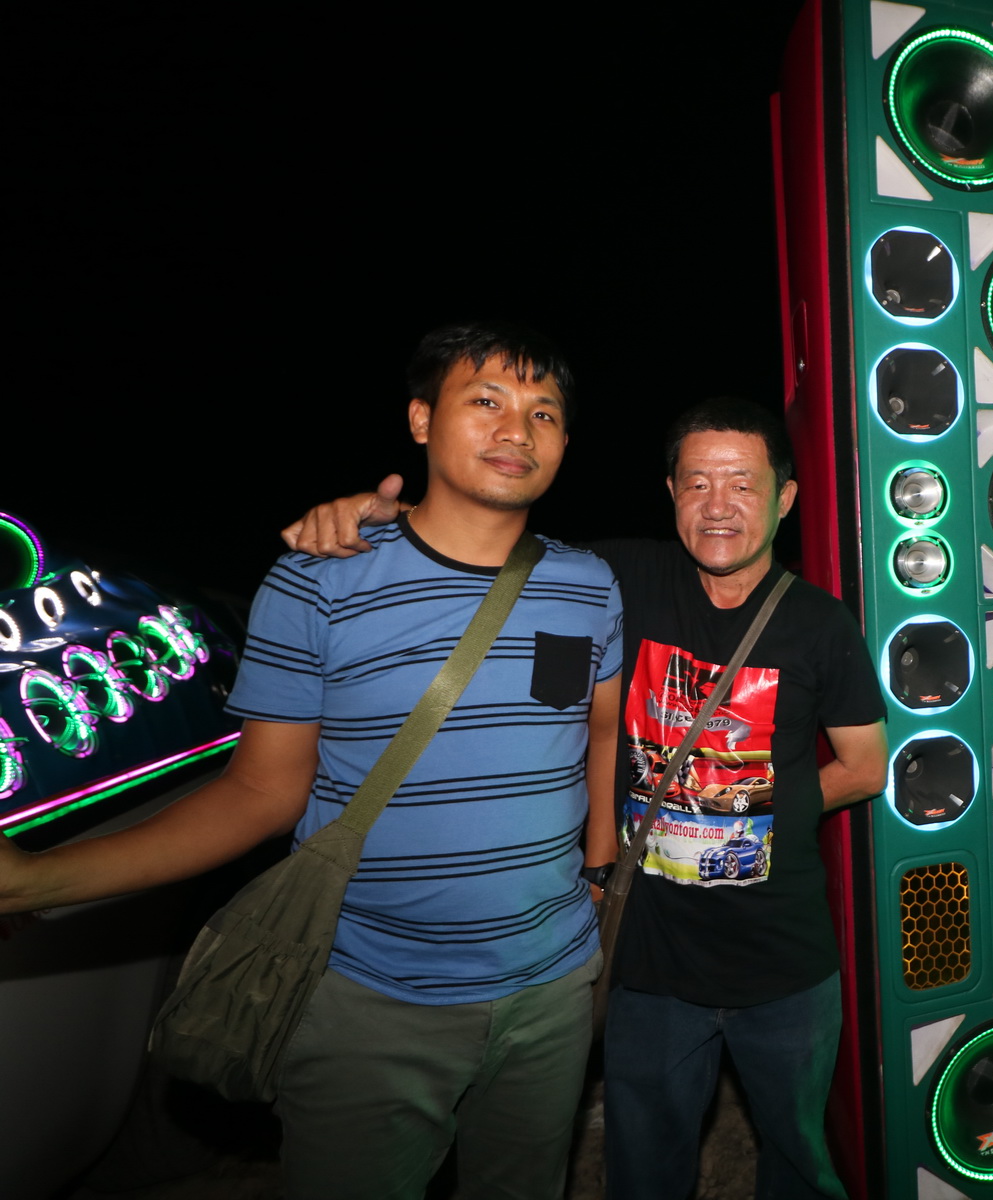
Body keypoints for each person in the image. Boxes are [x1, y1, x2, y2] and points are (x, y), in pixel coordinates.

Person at [0, 320, 624, 1200]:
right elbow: (258, 792)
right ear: (421, 419)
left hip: (552, 993)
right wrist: (39, 879)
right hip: (372, 1001)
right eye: (486, 400)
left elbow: (600, 733)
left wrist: (598, 866)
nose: (516, 429)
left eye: (544, 412)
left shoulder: (588, 584)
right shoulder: (317, 580)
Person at [282, 397, 889, 1200]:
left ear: (784, 498)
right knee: (643, 1166)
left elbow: (865, 767)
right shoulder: (616, 579)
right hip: (649, 958)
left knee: (800, 1162)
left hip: (784, 962)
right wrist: (369, 517)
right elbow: (483, 545)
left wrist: (735, 806)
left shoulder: (821, 624)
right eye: (697, 482)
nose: (718, 505)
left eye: (743, 484)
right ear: (670, 492)